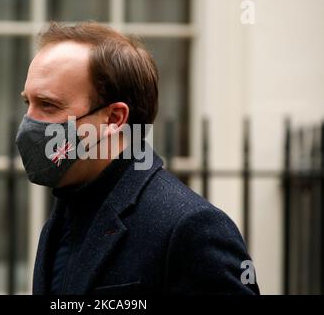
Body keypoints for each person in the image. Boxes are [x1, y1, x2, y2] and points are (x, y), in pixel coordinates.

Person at [15, 22, 260, 295]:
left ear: (114, 118)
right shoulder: (65, 214)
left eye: (48, 105)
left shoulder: (190, 228)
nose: (29, 121)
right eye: (29, 103)